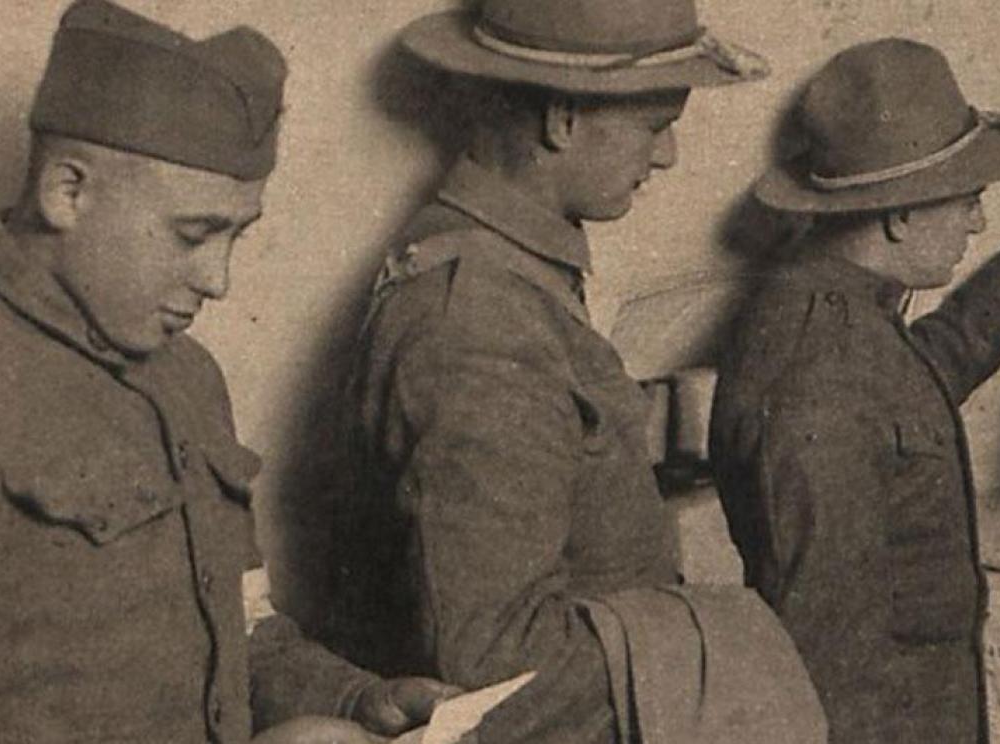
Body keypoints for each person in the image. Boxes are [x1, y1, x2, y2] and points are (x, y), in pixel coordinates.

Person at [324, 0, 817, 742]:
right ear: (561, 117)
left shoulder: (509, 271)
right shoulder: (475, 323)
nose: (668, 155)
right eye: (656, 125)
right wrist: (730, 637)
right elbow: (497, 679)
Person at [0, 2, 455, 741]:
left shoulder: (188, 377)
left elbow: (233, 627)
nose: (219, 281)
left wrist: (353, 700)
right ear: (67, 192)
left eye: (236, 237)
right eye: (193, 234)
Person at [710, 37, 1000, 744]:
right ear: (900, 215)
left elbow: (917, 375)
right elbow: (828, 650)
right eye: (969, 201)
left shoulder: (834, 312)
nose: (978, 222)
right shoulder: (822, 372)